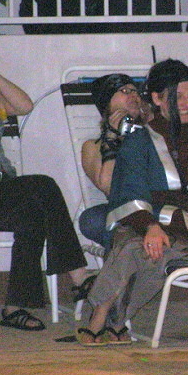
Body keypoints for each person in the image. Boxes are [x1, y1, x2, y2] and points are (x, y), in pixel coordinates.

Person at [77, 59, 188, 345]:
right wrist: (150, 225)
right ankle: (107, 317)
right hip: (143, 222)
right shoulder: (140, 138)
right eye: (178, 97)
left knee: (146, 253)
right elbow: (129, 188)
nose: (187, 104)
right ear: (157, 98)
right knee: (138, 246)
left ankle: (104, 317)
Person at [0, 63, 93, 331]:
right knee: (43, 186)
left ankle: (15, 307)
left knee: (33, 213)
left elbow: (24, 106)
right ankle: (78, 276)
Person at [78, 73, 153, 251]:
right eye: (124, 91)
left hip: (157, 204)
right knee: (92, 220)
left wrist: (151, 121)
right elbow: (108, 186)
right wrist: (111, 141)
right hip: (123, 211)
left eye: (135, 91)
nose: (133, 95)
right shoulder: (93, 147)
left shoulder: (154, 134)